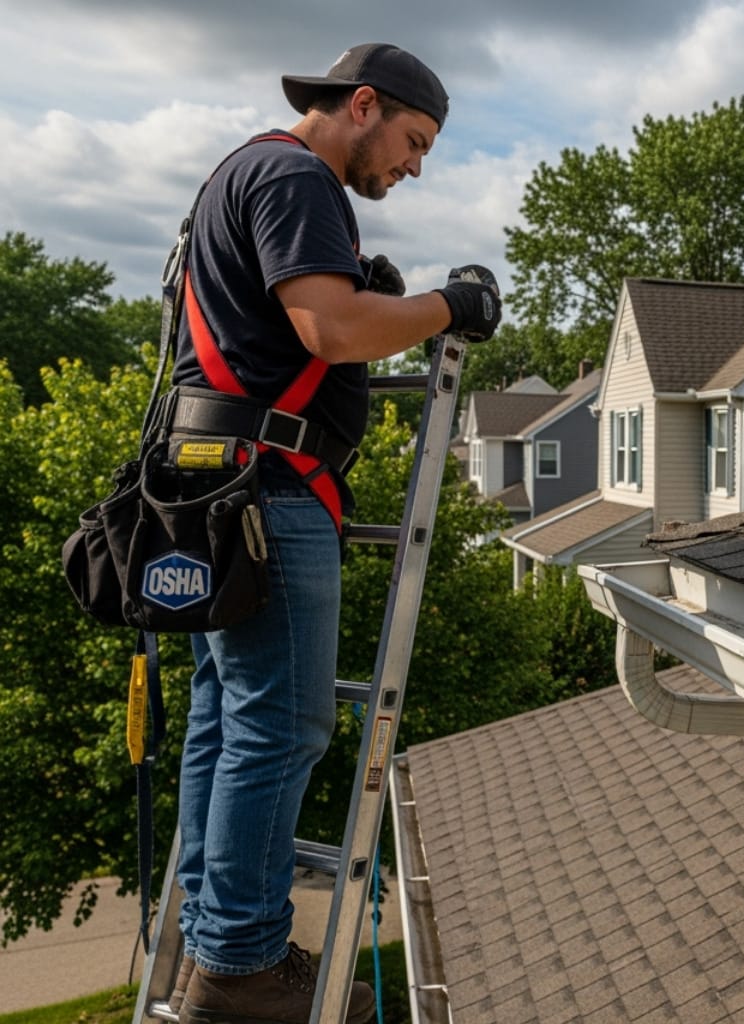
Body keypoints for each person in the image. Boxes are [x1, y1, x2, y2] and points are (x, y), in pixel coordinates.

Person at [162, 44, 502, 1024]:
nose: (414, 165)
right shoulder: (298, 176)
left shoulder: (247, 174)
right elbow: (331, 332)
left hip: (221, 486)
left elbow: (298, 319)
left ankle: (215, 944)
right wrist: (448, 305)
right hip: (268, 492)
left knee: (227, 722)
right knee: (280, 726)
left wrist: (361, 282)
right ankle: (238, 965)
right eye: (414, 140)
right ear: (363, 105)